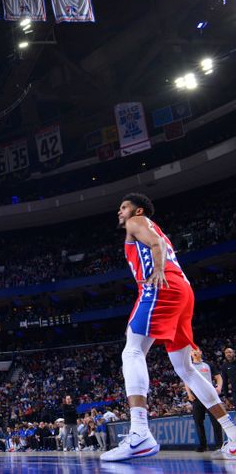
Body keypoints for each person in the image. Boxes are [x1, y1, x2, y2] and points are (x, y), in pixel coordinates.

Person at [101, 194, 236, 462]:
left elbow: (156, 243)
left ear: (137, 210)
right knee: (185, 368)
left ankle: (139, 432)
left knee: (132, 351)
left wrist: (159, 269)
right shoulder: (145, 226)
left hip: (160, 286)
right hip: (183, 291)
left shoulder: (136, 221)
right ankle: (233, 435)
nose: (120, 212)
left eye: (123, 207)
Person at [186, 348, 224, 452]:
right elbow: (186, 381)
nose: (194, 352)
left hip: (210, 396)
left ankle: (220, 445)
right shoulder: (189, 366)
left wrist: (219, 387)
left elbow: (218, 377)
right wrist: (189, 393)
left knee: (216, 421)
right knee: (198, 421)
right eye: (192, 351)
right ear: (190, 354)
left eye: (196, 350)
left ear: (200, 352)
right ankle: (203, 445)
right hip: (197, 397)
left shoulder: (208, 364)